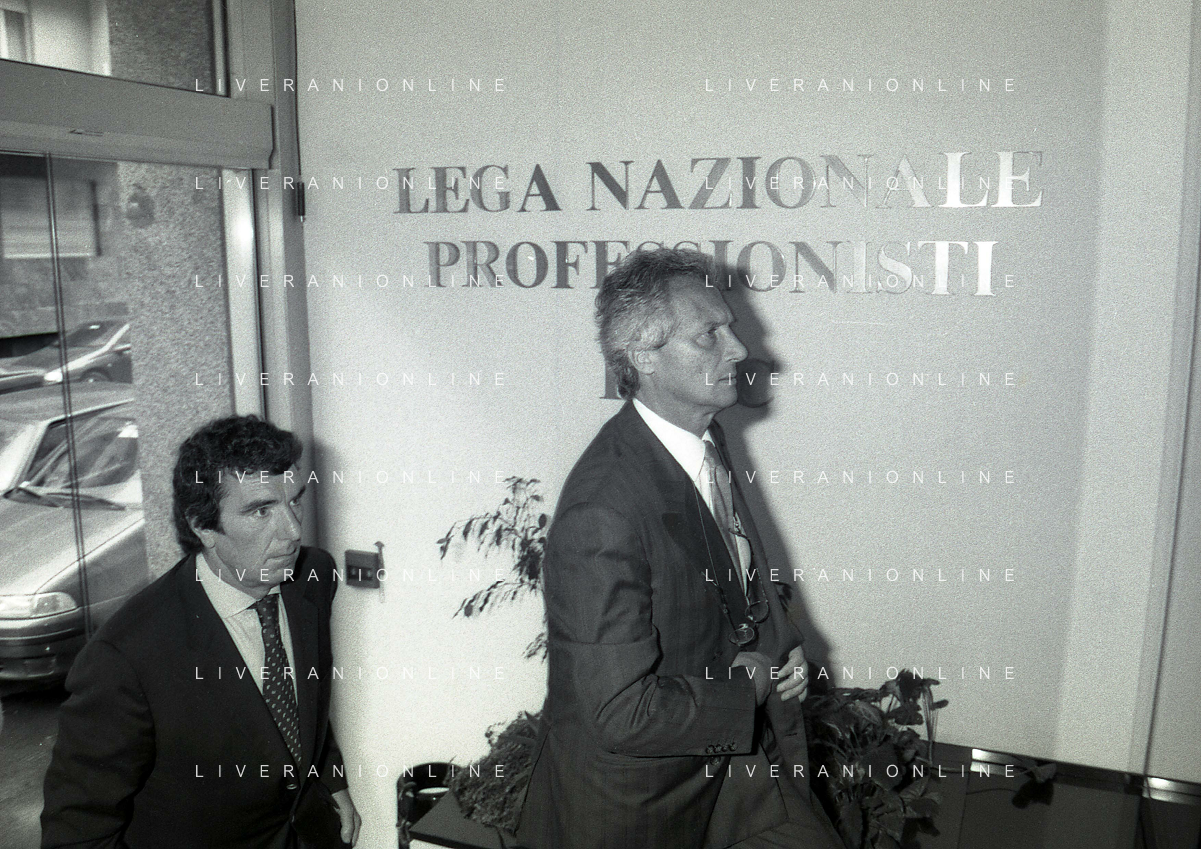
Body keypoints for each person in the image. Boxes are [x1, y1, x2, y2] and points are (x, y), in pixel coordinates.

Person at [517, 248, 844, 849]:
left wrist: (780, 642)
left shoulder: (700, 437)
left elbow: (728, 576)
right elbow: (619, 713)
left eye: (731, 328)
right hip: (644, 809)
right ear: (644, 356)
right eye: (708, 335)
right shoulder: (602, 511)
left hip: (731, 772)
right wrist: (752, 686)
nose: (738, 350)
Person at [41, 415, 360, 849]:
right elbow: (76, 834)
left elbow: (308, 697)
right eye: (261, 510)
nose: (292, 531)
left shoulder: (314, 576)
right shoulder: (125, 658)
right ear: (203, 526)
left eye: (295, 501)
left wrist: (331, 777)